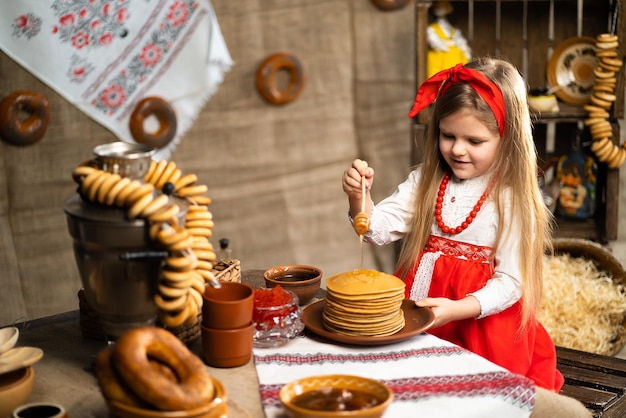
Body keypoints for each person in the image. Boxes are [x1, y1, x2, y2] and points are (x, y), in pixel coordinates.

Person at [341, 57, 564, 392]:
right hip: (419, 310)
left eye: (474, 141)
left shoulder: (511, 200)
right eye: (448, 135)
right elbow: (376, 230)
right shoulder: (426, 180)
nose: (457, 149)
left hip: (480, 328)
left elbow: (511, 283)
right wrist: (360, 198)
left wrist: (457, 309)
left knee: (467, 395)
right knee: (404, 387)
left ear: (508, 138)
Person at [427, 1, 471, 77]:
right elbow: (436, 44)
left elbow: (461, 43)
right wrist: (451, 44)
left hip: (454, 63)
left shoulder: (453, 30)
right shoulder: (431, 29)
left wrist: (464, 49)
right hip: (440, 63)